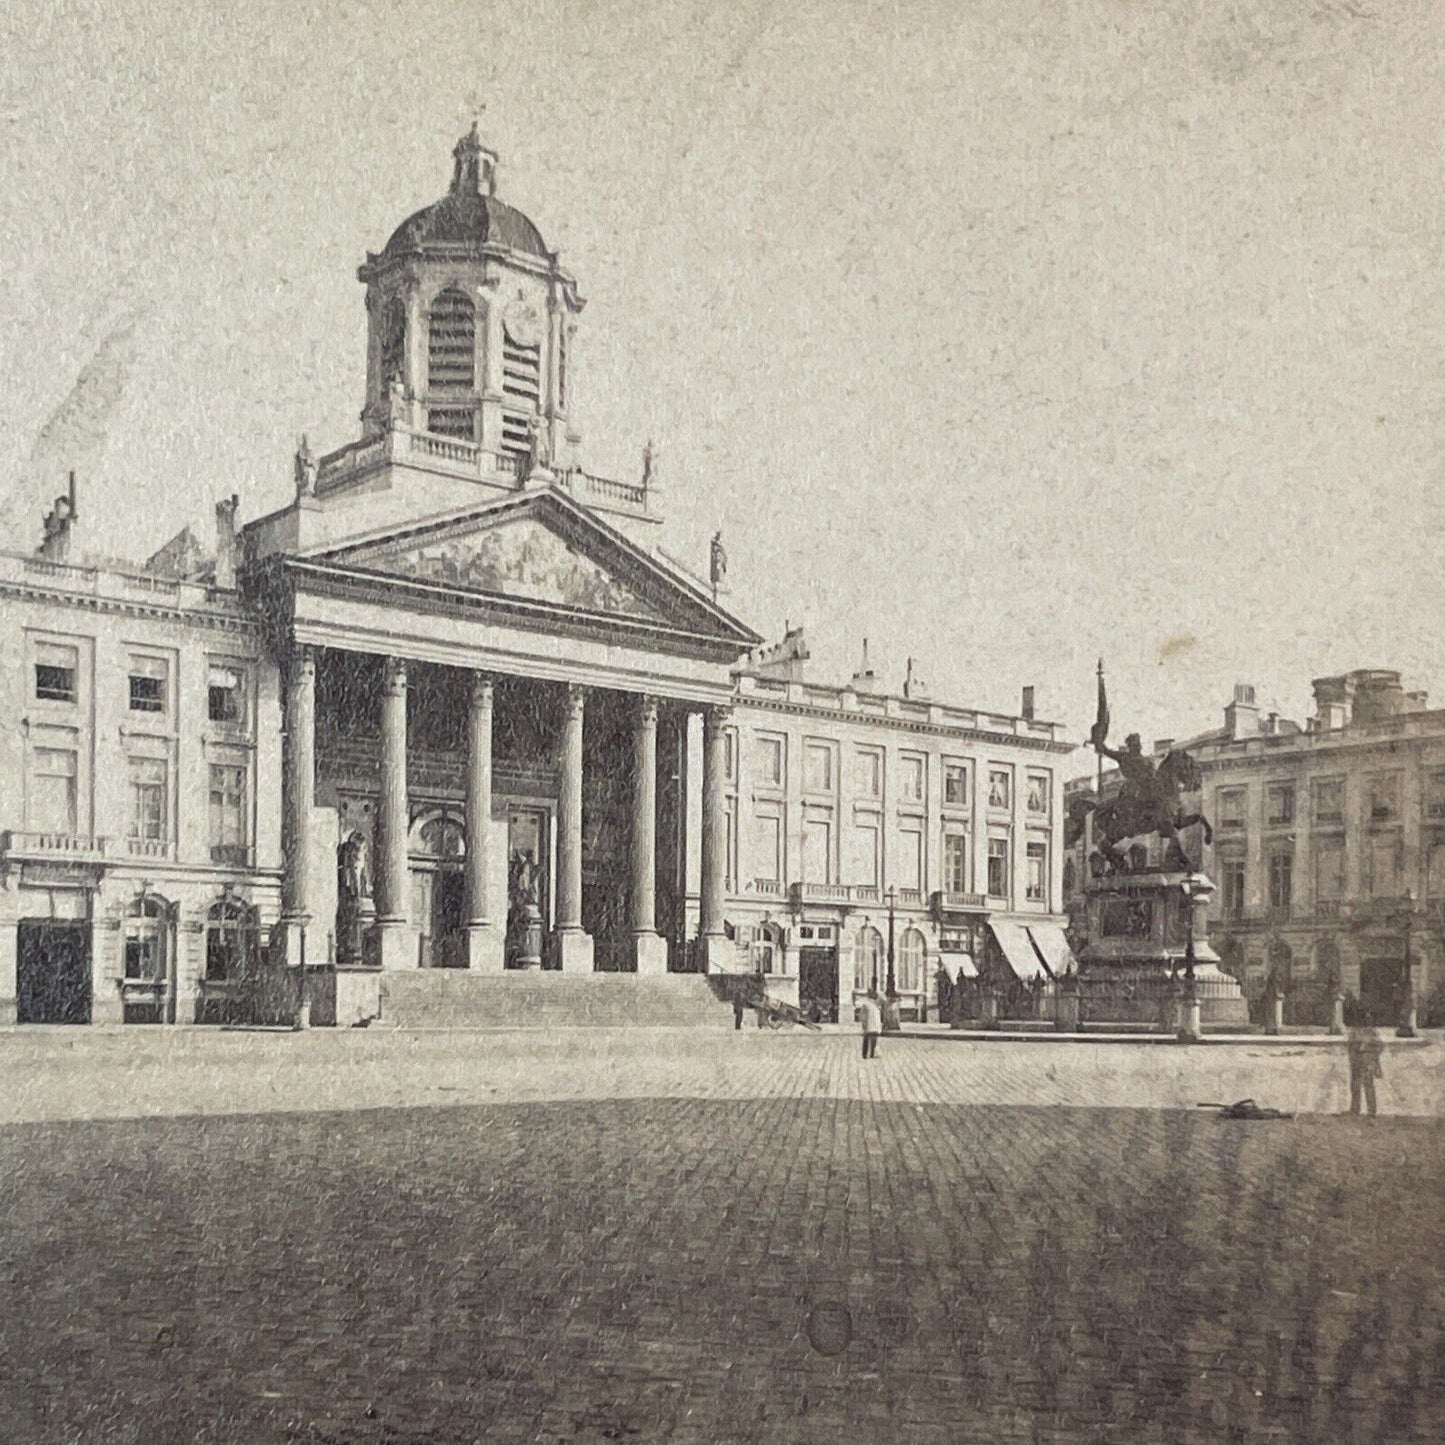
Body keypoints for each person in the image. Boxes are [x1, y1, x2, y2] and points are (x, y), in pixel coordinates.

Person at [1346, 1025, 1384, 1116]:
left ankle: (1368, 1111)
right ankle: (1359, 1109)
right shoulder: (1356, 1031)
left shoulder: (1368, 1032)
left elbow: (1379, 1047)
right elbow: (1350, 1047)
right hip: (1361, 1060)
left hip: (1365, 1059)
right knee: (1358, 1085)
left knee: (1366, 1085)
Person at [859, 989, 883, 1060]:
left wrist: (863, 1023)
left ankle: (866, 1054)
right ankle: (870, 1053)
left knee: (868, 1039)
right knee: (873, 1039)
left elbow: (862, 1015)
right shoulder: (875, 1006)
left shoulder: (867, 1005)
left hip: (870, 1025)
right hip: (873, 1025)